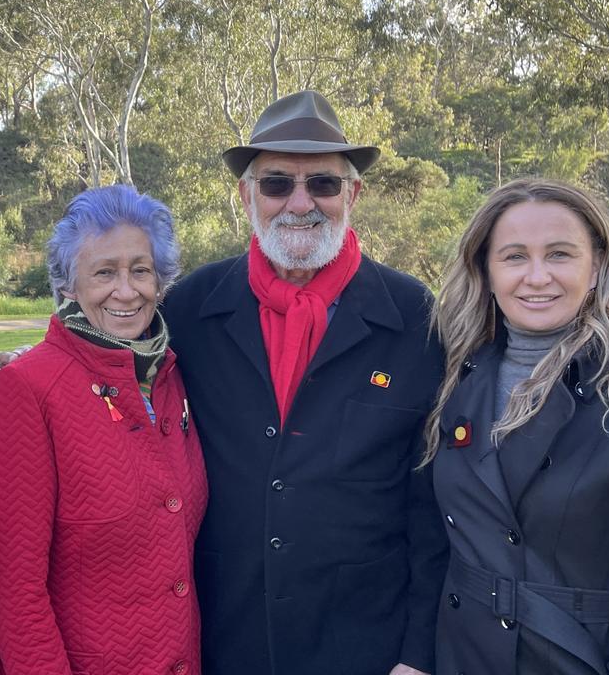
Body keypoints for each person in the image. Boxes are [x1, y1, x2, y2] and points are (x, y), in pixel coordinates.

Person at [160, 90, 447, 674]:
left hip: (366, 643)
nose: (299, 203)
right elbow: (116, 371)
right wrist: (30, 366)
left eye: (322, 183)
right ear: (247, 196)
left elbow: (434, 502)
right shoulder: (191, 308)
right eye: (275, 185)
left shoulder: (415, 315)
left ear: (353, 194)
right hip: (225, 637)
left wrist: (418, 656)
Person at [425, 178, 609, 675]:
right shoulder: (456, 374)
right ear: (486, 270)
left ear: (597, 265)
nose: (537, 277)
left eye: (559, 254)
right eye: (514, 256)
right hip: (463, 657)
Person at [0, 184, 207, 675]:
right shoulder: (28, 388)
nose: (125, 291)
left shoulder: (171, 375)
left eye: (140, 270)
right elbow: (13, 584)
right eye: (104, 272)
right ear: (69, 285)